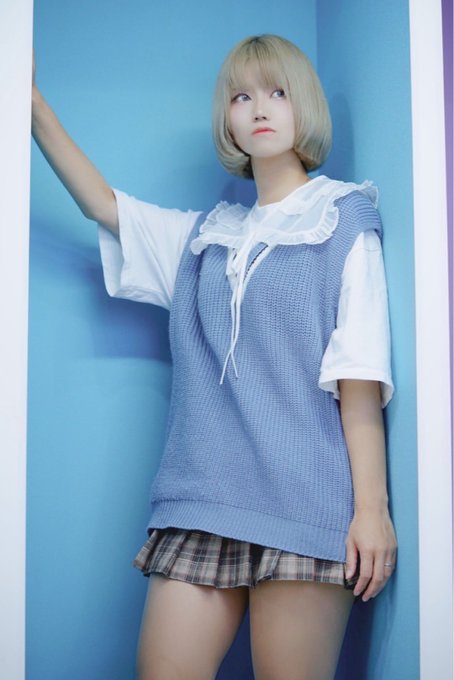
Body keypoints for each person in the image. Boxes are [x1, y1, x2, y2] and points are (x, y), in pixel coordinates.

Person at [32, 34, 397, 680]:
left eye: (278, 92)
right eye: (241, 96)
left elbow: (360, 377)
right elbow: (102, 205)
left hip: (306, 504)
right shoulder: (203, 240)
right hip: (202, 500)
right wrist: (28, 102)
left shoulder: (343, 220)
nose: (260, 107)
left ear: (304, 105)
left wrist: (373, 510)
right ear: (228, 118)